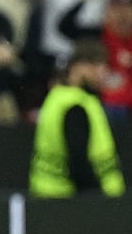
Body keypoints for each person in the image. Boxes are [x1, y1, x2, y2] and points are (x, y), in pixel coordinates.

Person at [29, 38, 126, 198]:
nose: (104, 73)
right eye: (100, 65)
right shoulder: (76, 106)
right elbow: (79, 162)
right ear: (80, 67)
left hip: (48, 195)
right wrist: (98, 197)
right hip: (73, 202)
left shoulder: (57, 98)